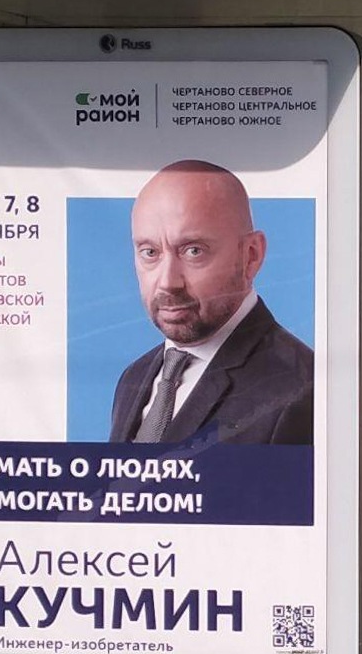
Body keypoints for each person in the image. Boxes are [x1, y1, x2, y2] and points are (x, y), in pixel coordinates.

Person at [107, 160, 313, 446]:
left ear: (251, 255)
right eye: (150, 252)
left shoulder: (300, 391)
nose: (168, 282)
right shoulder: (133, 378)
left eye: (193, 251)